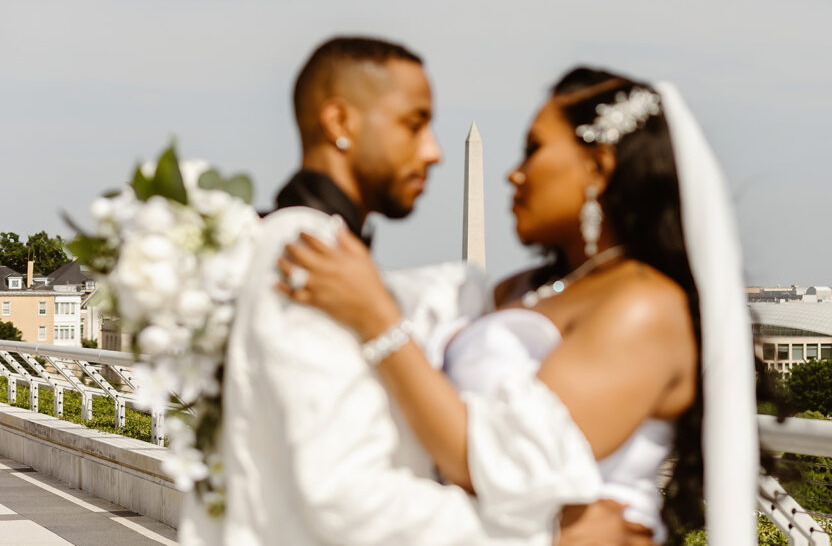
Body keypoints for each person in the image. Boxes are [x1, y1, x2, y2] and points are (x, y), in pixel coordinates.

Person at [180, 38, 644, 545]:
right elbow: (342, 493)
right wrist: (550, 535)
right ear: (340, 123)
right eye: (414, 123)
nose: (434, 151)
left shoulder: (320, 253)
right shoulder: (306, 257)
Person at [278, 67, 760, 544]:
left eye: (534, 150)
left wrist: (376, 320)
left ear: (599, 168)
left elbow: (486, 464)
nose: (514, 173)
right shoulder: (517, 290)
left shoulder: (645, 306)